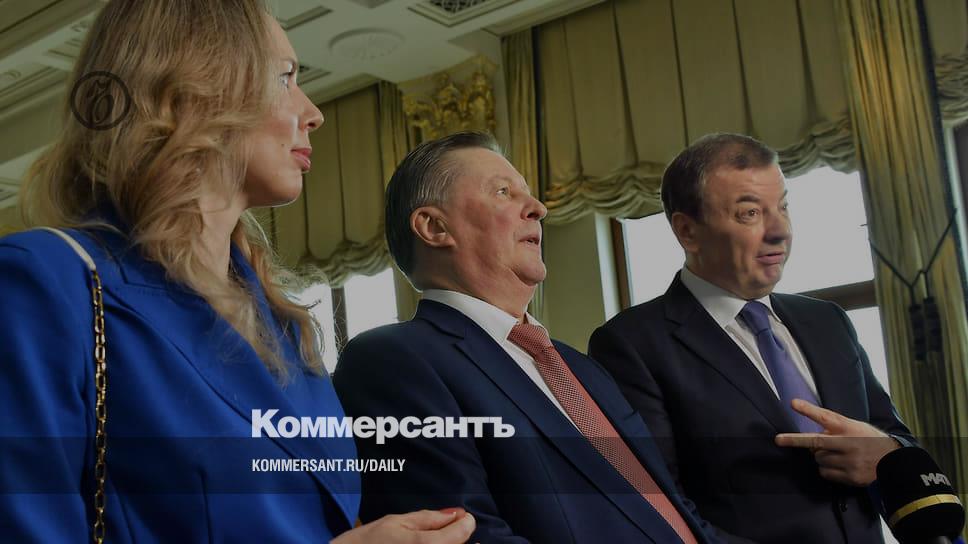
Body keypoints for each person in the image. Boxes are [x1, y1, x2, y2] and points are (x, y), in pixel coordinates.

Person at [0, 1, 475, 542]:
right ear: (192, 90)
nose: (313, 112)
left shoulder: (287, 328)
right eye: (285, 77)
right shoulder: (45, 284)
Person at [333, 131, 723, 543]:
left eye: (528, 193)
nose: (539, 207)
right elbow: (465, 535)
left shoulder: (582, 368)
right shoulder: (390, 363)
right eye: (503, 192)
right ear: (433, 227)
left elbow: (672, 511)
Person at [588, 132, 917, 543]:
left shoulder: (828, 321)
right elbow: (660, 511)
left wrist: (887, 454)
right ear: (687, 231)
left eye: (783, 207)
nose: (780, 231)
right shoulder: (630, 345)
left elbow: (900, 442)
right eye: (750, 213)